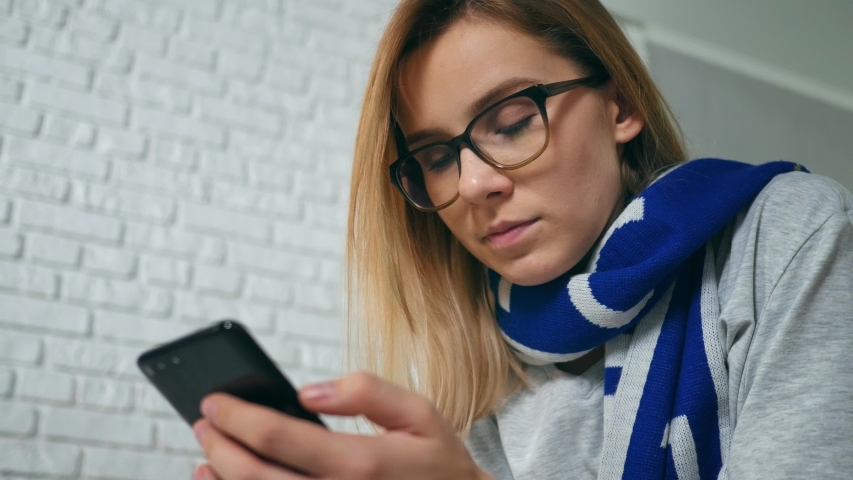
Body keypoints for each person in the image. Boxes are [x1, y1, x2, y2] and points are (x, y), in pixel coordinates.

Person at [189, 0, 853, 479]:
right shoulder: (475, 371)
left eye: (509, 122)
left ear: (619, 106)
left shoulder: (786, 236)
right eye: (438, 157)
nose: (474, 183)